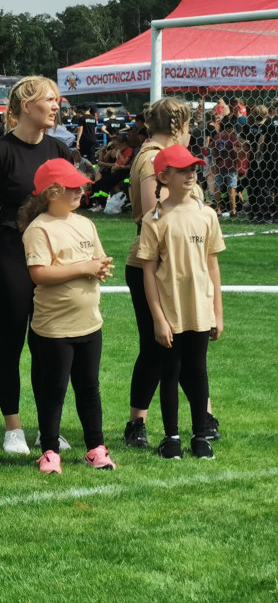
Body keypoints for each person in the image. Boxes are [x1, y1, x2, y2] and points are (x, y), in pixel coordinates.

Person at [0, 76, 70, 455]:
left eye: (57, 100)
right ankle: (13, 427)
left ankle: (49, 428)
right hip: (10, 256)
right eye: (49, 99)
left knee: (50, 346)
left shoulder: (60, 151)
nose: (56, 106)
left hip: (54, 256)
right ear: (26, 106)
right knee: (11, 344)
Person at [120, 98, 220, 448]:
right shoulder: (153, 159)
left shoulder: (168, 157)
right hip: (156, 265)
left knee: (181, 348)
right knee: (159, 348)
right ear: (178, 127)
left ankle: (199, 417)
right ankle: (141, 423)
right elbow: (154, 213)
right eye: (189, 127)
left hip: (177, 264)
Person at [20, 160, 115, 474]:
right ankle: (49, 451)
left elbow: (96, 258)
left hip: (89, 322)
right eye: (73, 186)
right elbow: (39, 274)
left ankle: (96, 448)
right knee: (54, 390)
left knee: (89, 388)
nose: (81, 190)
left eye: (81, 185)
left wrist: (100, 267)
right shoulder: (39, 229)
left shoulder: (85, 224)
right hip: (54, 328)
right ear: (51, 192)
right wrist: (86, 268)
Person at [138, 145, 225, 460]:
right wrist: (158, 318)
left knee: (198, 370)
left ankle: (200, 437)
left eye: (193, 168)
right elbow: (148, 272)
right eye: (182, 169)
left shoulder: (207, 214)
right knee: (170, 370)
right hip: (170, 308)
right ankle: (171, 438)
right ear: (164, 176)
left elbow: (212, 266)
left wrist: (217, 312)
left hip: (199, 307)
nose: (190, 174)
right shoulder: (155, 219)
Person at [211, 118, 241, 217]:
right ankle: (233, 211)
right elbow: (236, 151)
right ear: (229, 127)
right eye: (232, 128)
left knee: (218, 188)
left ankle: (218, 209)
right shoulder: (232, 137)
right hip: (230, 166)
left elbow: (213, 151)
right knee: (231, 188)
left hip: (219, 166)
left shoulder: (216, 137)